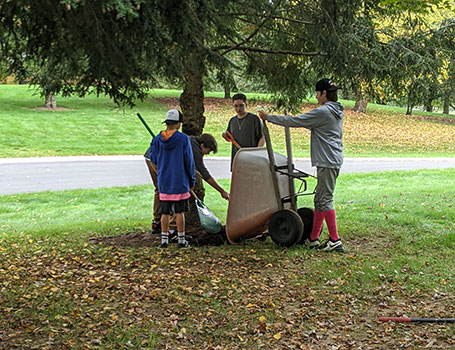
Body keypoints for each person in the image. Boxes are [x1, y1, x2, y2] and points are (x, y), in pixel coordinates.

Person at [258, 78, 344, 252]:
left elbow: (296, 121)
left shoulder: (324, 112)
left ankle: (335, 240)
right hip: (330, 159)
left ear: (324, 93)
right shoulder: (336, 110)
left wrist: (269, 118)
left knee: (325, 199)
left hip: (328, 161)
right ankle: (313, 239)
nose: (316, 96)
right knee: (320, 200)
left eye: (317, 93)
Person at [145, 133, 230, 235]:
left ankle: (157, 221)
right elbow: (204, 174)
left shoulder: (191, 140)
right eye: (208, 150)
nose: (207, 153)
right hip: (159, 159)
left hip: (150, 156)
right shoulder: (195, 150)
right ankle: (171, 229)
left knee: (160, 189)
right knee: (172, 192)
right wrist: (222, 191)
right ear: (202, 145)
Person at [149, 109, 196, 248]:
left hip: (164, 180)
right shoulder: (183, 139)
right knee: (179, 212)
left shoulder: (158, 139)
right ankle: (181, 240)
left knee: (164, 211)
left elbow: (153, 158)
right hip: (180, 181)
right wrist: (191, 180)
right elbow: (189, 160)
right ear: (179, 124)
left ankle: (164, 240)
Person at [222, 93, 264, 169]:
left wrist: (257, 153)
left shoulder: (254, 119)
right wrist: (224, 135)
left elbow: (262, 137)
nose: (238, 109)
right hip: (237, 158)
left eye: (241, 105)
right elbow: (229, 136)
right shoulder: (232, 121)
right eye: (236, 106)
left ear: (246, 105)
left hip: (252, 158)